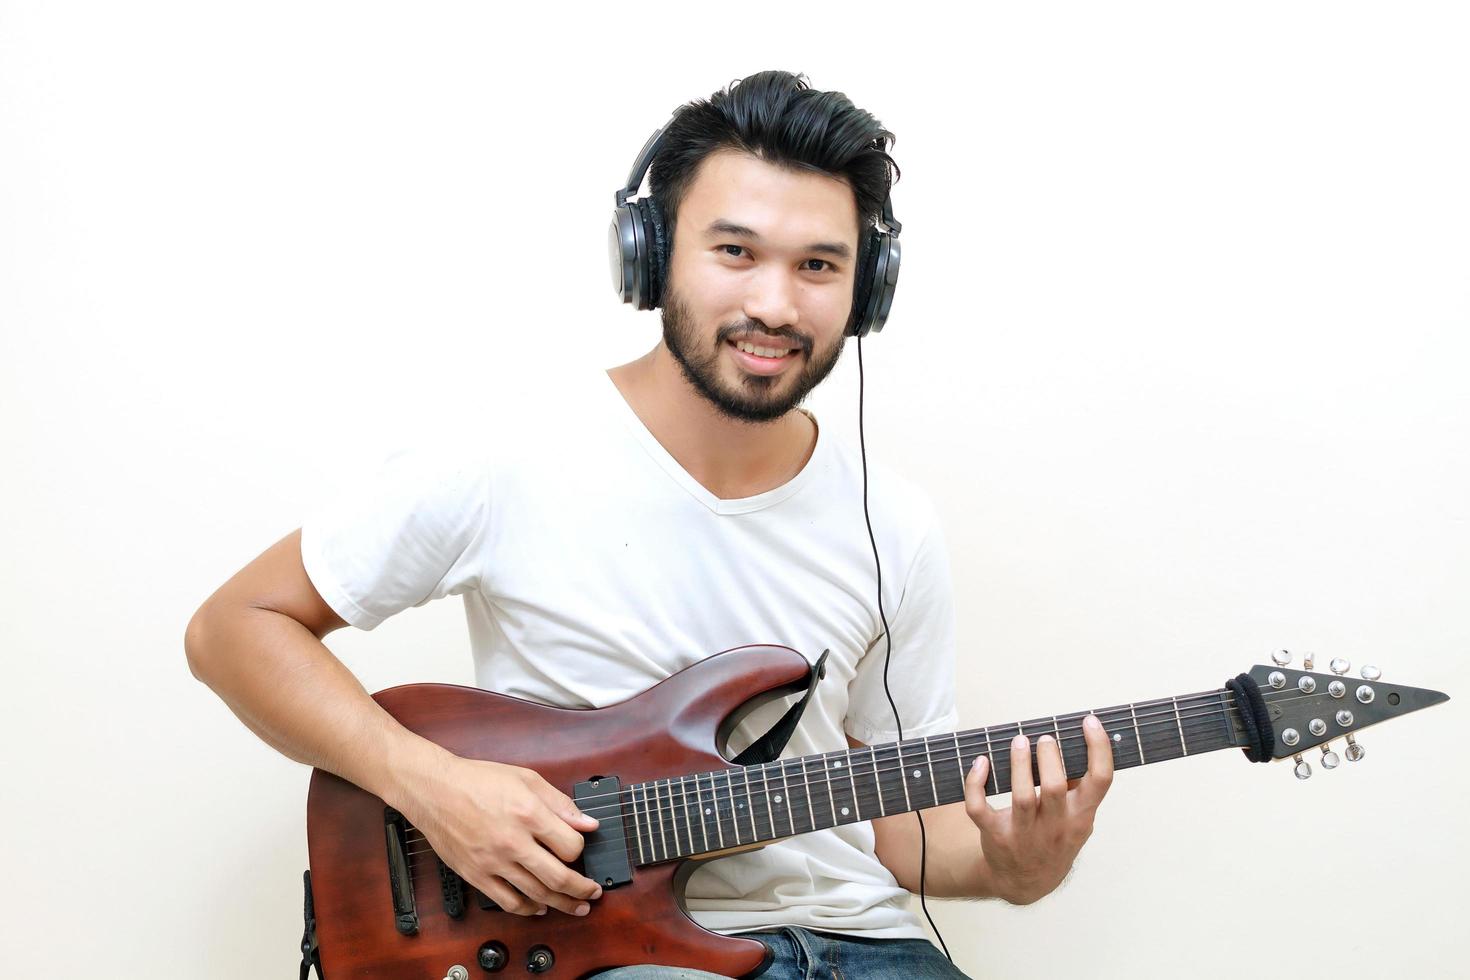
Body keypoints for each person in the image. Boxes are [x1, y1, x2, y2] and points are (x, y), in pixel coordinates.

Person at [184, 69, 1114, 980]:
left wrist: (1015, 863)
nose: (775, 306)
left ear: (867, 291)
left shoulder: (895, 525)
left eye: (819, 266)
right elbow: (235, 628)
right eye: (735, 252)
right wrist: (428, 783)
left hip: (867, 947)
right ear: (651, 253)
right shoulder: (511, 457)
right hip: (609, 953)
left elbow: (904, 828)